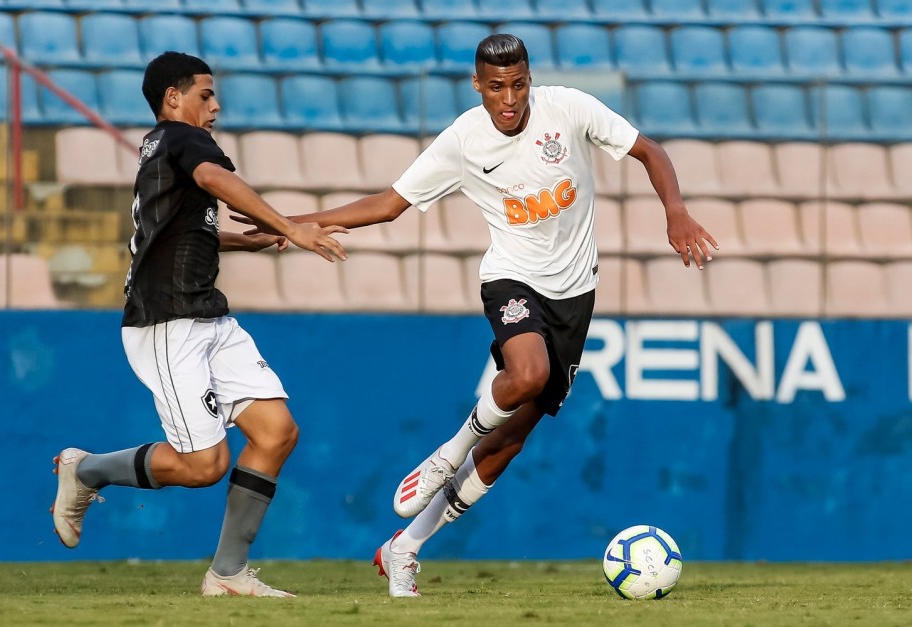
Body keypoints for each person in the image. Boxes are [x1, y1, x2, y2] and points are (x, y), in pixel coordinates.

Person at [240, 34, 718, 597]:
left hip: (575, 295)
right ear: (477, 85)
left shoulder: (570, 108)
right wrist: (289, 223)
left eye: (518, 84)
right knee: (527, 374)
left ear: (529, 78)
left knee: (511, 442)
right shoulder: (464, 140)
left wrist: (676, 211)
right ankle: (449, 452)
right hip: (511, 278)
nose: (509, 98)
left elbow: (650, 151)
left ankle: (405, 548)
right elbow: (388, 205)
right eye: (496, 87)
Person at [50, 51, 347, 598]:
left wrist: (251, 239)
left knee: (277, 432)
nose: (215, 105)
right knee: (204, 464)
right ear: (174, 98)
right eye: (206, 94)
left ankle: (228, 575)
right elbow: (214, 177)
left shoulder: (161, 153)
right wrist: (289, 227)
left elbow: (181, 233)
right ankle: (87, 470)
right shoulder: (185, 142)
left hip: (207, 314)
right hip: (168, 322)